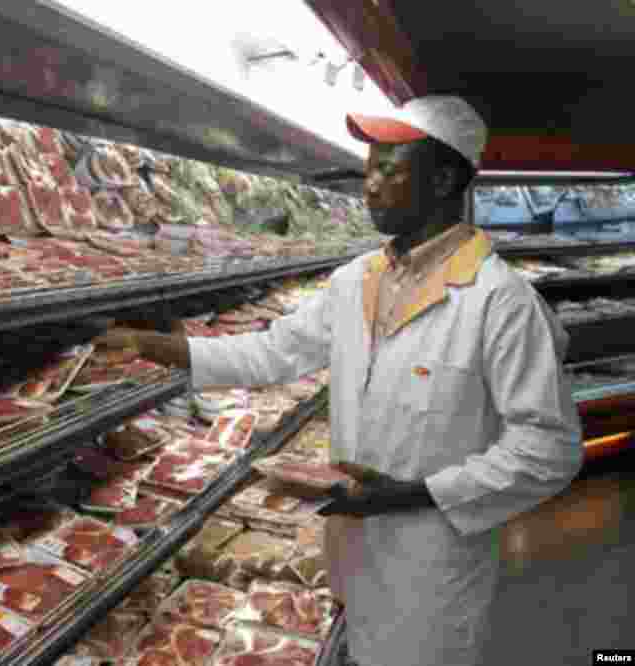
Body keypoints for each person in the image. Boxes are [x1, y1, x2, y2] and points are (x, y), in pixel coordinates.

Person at [95, 95, 583, 666]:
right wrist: (160, 347)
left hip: (432, 565)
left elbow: (548, 449)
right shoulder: (356, 280)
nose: (370, 186)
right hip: (354, 551)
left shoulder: (500, 303)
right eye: (369, 170)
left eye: (390, 170)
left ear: (446, 179)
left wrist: (405, 495)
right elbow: (273, 352)